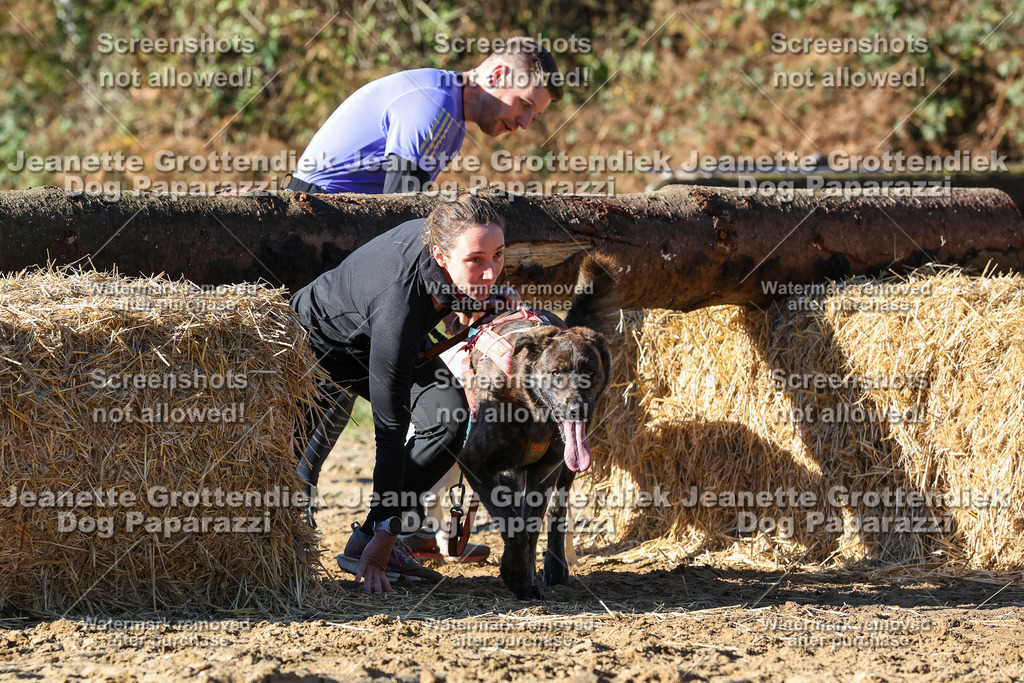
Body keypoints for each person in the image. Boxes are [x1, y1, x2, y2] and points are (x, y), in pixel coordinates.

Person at [289, 195, 516, 594]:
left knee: (448, 421)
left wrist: (477, 302)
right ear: (441, 255)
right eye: (475, 260)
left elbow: (447, 289)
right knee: (291, 456)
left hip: (378, 328)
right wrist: (387, 531)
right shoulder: (399, 305)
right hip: (323, 345)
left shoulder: (440, 239)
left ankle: (368, 537)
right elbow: (390, 432)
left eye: (497, 256)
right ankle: (376, 539)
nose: (489, 272)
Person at [286, 36, 563, 195]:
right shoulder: (435, 102)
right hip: (312, 212)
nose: (524, 124)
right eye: (525, 104)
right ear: (498, 75)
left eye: (534, 115)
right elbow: (398, 213)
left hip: (329, 212)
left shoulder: (452, 116)